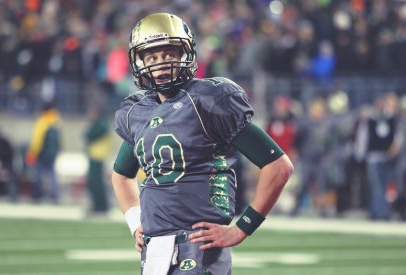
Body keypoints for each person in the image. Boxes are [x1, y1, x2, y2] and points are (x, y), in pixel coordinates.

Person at [111, 13, 293, 275]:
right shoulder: (138, 112)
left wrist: (242, 228)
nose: (160, 64)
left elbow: (279, 166)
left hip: (198, 247)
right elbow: (121, 176)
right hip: (154, 251)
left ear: (186, 54)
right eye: (151, 57)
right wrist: (135, 221)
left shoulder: (208, 100)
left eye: (168, 55)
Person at [26, 103, 61, 203]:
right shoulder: (56, 120)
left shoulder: (42, 121)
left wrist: (33, 152)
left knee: (38, 173)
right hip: (52, 153)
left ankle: (37, 195)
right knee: (52, 173)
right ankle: (54, 196)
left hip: (42, 152)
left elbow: (37, 139)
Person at [84, 106, 112, 214]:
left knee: (96, 183)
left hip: (98, 157)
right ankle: (98, 205)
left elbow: (90, 135)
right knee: (94, 182)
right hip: (95, 156)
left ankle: (101, 206)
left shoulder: (101, 124)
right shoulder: (101, 123)